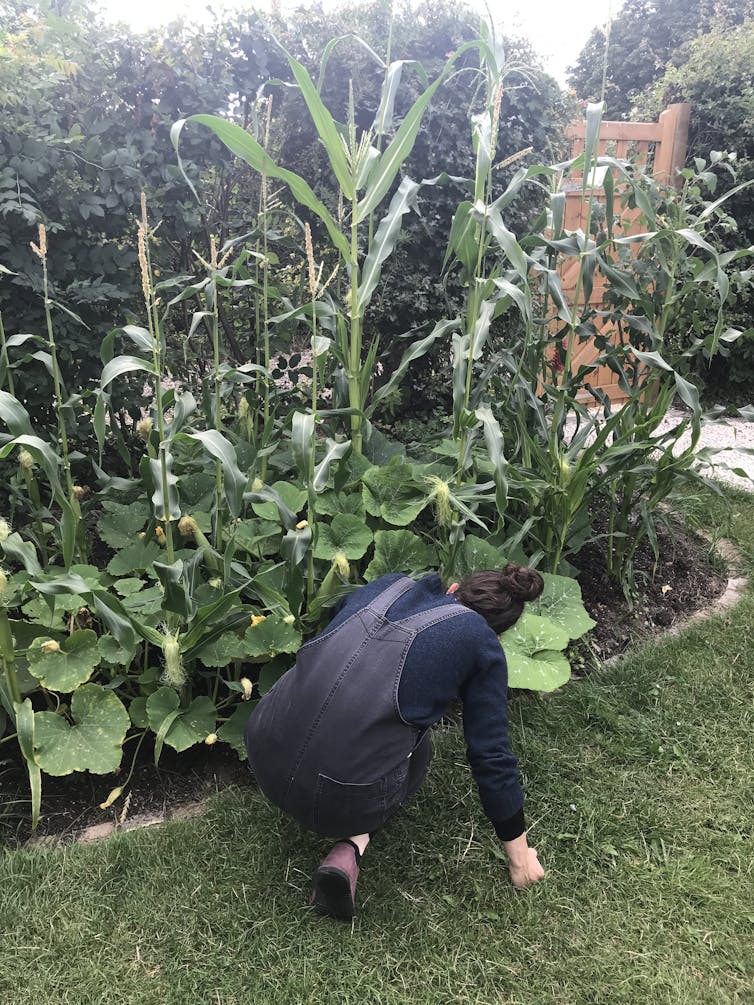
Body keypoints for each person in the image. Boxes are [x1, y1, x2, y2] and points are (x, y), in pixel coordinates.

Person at [244, 564, 546, 920]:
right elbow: (490, 754)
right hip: (334, 802)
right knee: (419, 749)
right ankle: (353, 842)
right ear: (498, 634)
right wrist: (521, 859)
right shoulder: (480, 643)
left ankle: (344, 837)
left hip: (263, 749)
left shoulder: (390, 586)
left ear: (452, 590)